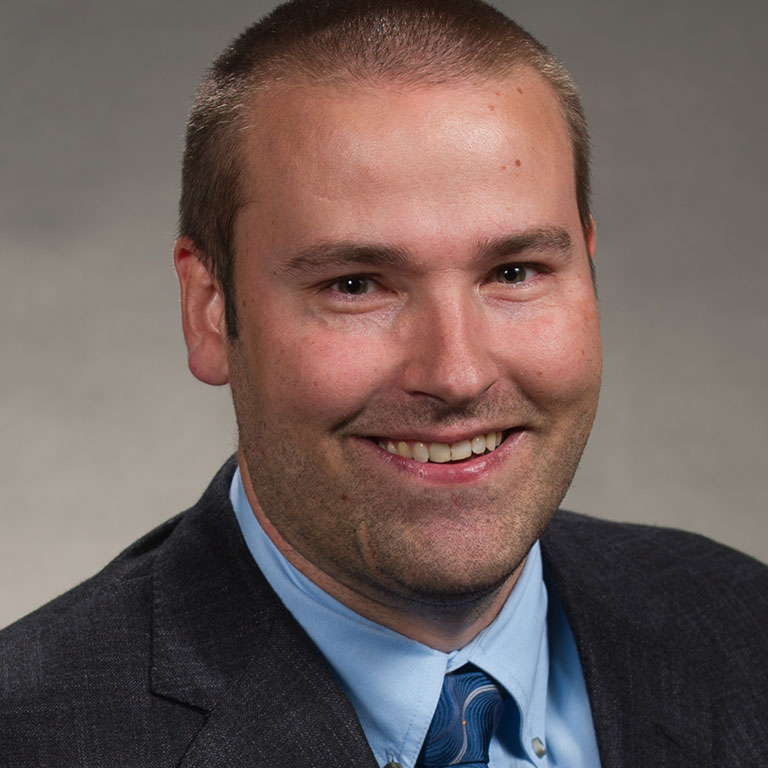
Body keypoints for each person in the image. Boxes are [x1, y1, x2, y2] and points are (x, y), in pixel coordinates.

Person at [1, 0, 766, 765]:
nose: (457, 374)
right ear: (209, 311)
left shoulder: (744, 631)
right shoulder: (35, 732)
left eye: (515, 272)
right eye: (356, 285)